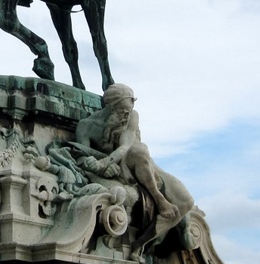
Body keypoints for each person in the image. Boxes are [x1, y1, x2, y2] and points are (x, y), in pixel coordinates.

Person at [70, 83, 194, 253]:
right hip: (121, 171)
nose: (126, 116)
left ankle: (142, 242)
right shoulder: (86, 126)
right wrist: (100, 168)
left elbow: (126, 147)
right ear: (110, 108)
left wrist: (103, 163)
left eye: (129, 111)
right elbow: (81, 155)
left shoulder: (132, 116)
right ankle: (160, 203)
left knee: (187, 201)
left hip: (145, 167)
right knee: (140, 150)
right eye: (123, 111)